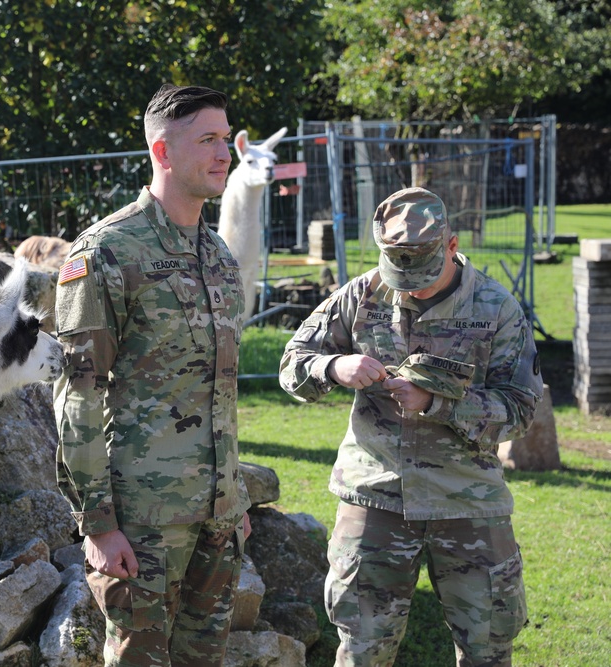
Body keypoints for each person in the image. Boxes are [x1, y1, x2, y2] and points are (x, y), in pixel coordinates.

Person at [279, 187, 544, 667]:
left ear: (452, 245)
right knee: (363, 650)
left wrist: (438, 403)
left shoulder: (496, 309)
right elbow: (293, 363)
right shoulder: (360, 295)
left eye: (422, 274)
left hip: (466, 503)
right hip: (375, 498)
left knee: (487, 648)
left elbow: (521, 407)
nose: (410, 288)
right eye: (400, 273)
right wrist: (334, 367)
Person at [53, 83, 252, 666]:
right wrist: (98, 524)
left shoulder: (216, 255)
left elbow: (220, 390)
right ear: (163, 153)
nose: (224, 154)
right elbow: (77, 396)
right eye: (208, 140)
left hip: (215, 516)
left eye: (225, 138)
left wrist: (233, 501)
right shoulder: (107, 253)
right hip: (142, 522)